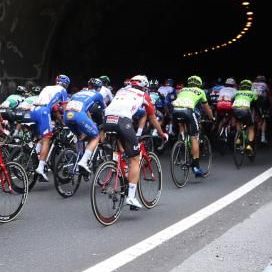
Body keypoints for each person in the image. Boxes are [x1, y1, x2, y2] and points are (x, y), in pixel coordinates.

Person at [102, 75, 167, 208]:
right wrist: (161, 133)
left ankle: (120, 167)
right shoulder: (144, 95)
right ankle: (131, 197)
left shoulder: (121, 90)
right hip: (122, 121)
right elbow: (153, 118)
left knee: (121, 147)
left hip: (107, 120)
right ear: (145, 86)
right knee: (135, 158)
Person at [171, 75, 214, 178]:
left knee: (183, 123)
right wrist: (212, 117)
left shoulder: (182, 90)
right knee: (194, 137)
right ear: (199, 84)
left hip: (175, 111)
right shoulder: (201, 91)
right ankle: (195, 167)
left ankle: (182, 140)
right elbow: (206, 108)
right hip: (188, 111)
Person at [30, 74, 71, 181]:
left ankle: (33, 152)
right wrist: (66, 121)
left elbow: (53, 106)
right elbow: (65, 109)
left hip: (33, 110)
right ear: (66, 84)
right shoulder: (63, 90)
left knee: (42, 136)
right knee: (47, 139)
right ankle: (40, 167)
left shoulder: (48, 87)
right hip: (43, 111)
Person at [67, 78, 107, 174]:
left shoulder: (78, 93)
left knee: (80, 137)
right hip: (79, 116)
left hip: (67, 116)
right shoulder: (98, 94)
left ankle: (77, 162)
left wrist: (90, 121)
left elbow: (85, 109)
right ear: (99, 88)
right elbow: (104, 109)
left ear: (89, 86)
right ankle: (83, 162)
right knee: (95, 136)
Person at [232, 79, 259, 155]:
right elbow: (256, 106)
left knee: (238, 122)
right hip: (246, 110)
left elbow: (232, 100)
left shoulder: (237, 92)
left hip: (235, 109)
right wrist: (260, 114)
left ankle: (239, 139)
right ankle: (249, 146)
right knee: (251, 127)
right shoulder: (253, 93)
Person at [251, 75, 272, 144]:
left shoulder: (252, 84)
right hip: (261, 100)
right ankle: (263, 137)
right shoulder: (264, 84)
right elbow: (269, 95)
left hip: (252, 100)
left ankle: (252, 119)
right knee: (263, 118)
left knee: (253, 112)